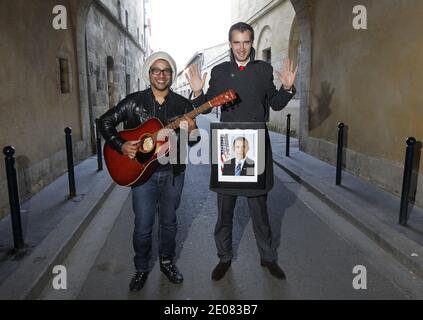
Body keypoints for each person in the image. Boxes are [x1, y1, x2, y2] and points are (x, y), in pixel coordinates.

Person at [186, 22, 297, 281]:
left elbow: (277, 104)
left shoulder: (263, 70)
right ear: (230, 44)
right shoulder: (220, 71)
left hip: (255, 146)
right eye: (236, 42)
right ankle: (224, 258)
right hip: (227, 144)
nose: (241, 47)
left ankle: (268, 257)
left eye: (246, 42)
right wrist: (198, 91)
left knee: (260, 210)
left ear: (252, 42)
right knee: (225, 210)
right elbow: (205, 107)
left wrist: (287, 88)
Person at [98, 51, 199, 292]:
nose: (161, 75)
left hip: (174, 171)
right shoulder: (133, 102)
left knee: (169, 222)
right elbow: (104, 121)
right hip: (141, 173)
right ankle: (142, 267)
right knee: (143, 225)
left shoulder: (183, 105)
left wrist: (191, 132)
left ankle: (166, 262)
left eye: (166, 70)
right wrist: (121, 145)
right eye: (156, 70)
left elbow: (191, 143)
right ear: (149, 74)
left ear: (172, 75)